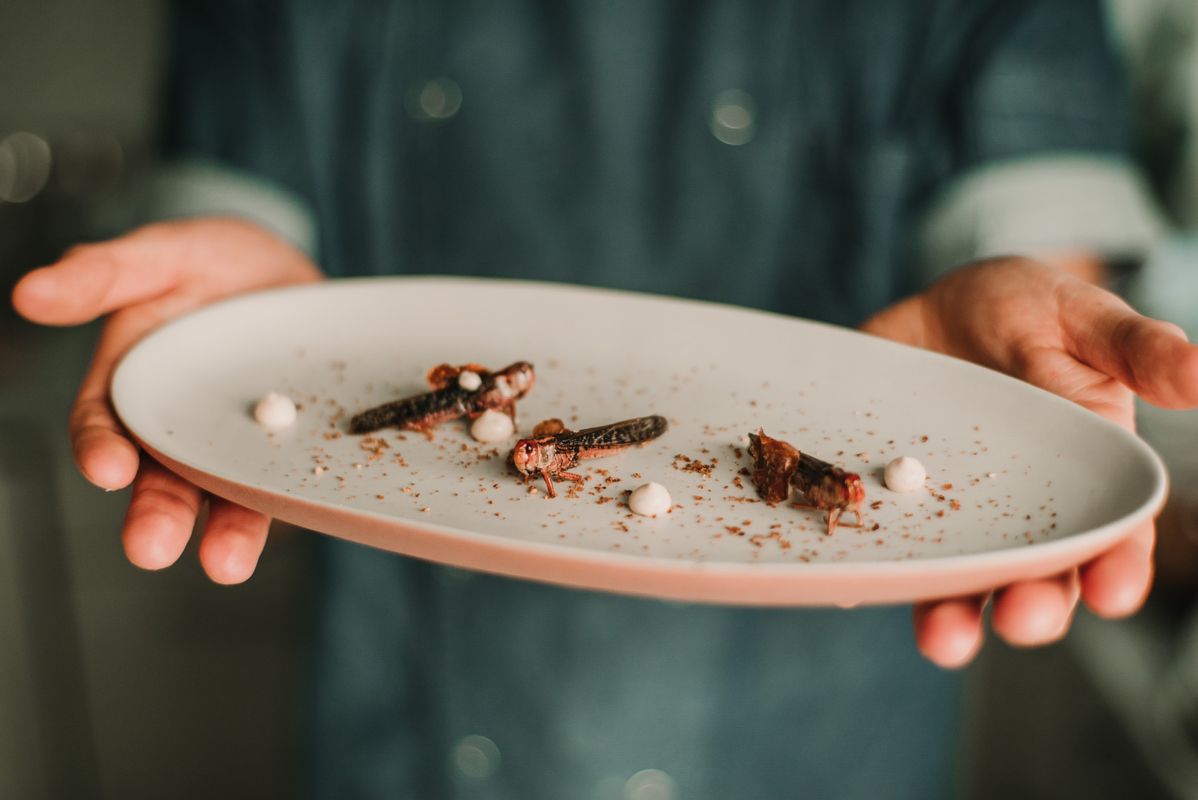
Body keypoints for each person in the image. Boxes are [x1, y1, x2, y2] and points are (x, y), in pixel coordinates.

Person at [12, 1, 1198, 797]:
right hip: (413, 706)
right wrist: (228, 326)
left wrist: (1021, 381)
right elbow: (239, 179)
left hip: (818, 723)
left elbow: (1038, 217)